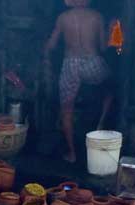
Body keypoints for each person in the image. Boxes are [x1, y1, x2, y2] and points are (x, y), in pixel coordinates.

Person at [45, 0, 114, 163]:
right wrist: (111, 29)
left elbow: (51, 45)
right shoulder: (97, 16)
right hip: (92, 62)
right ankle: (101, 123)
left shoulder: (63, 18)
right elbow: (104, 48)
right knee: (111, 87)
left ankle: (71, 154)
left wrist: (46, 56)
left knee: (66, 109)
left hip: (71, 64)